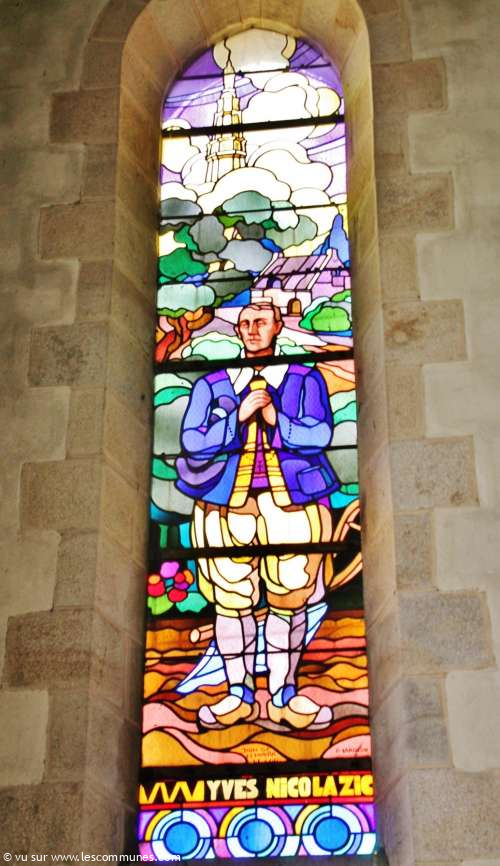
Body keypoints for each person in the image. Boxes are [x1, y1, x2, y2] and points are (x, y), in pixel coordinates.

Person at [176, 302, 340, 730]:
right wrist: (239, 415)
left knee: (290, 599)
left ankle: (285, 694)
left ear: (277, 326)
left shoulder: (304, 378)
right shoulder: (213, 384)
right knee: (231, 602)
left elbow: (321, 433)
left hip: (292, 503)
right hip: (223, 504)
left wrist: (275, 418)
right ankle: (238, 695)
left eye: (260, 322)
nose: (251, 330)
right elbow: (192, 441)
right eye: (245, 323)